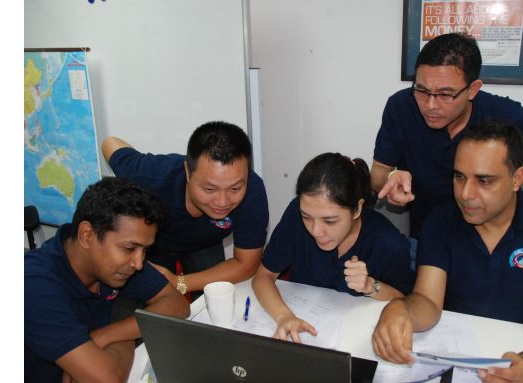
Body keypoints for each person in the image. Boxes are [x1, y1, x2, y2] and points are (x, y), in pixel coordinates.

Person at [372, 121, 523, 383]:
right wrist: (400, 310)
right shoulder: (441, 220)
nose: (465, 194)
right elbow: (427, 301)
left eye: (484, 181)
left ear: (517, 178)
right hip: (455, 357)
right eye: (459, 177)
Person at [372, 32, 523, 262]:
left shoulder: (501, 114)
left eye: (445, 94)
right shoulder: (401, 107)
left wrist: (514, 184)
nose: (430, 105)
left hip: (486, 235)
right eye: (421, 90)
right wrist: (391, 177)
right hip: (429, 234)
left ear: (472, 89)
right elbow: (379, 173)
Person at [25, 177, 190, 383]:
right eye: (130, 248)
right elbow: (107, 379)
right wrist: (127, 331)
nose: (139, 263)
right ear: (87, 235)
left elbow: (178, 305)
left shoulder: (118, 264)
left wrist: (107, 335)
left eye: (145, 250)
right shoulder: (33, 284)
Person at [252, 152, 415, 343]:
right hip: (307, 335)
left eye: (330, 221)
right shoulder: (295, 215)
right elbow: (263, 277)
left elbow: (405, 303)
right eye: (307, 217)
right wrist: (284, 316)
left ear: (357, 209)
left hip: (357, 340)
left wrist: (370, 286)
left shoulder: (387, 243)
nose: (316, 231)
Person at [102, 121, 268, 298]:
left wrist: (180, 283)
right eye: (210, 189)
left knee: (215, 301)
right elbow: (109, 143)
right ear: (188, 172)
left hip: (204, 242)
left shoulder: (252, 189)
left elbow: (246, 264)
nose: (222, 202)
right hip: (153, 243)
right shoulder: (151, 176)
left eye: (234, 189)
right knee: (144, 306)